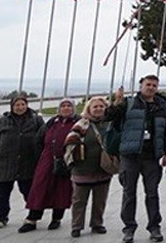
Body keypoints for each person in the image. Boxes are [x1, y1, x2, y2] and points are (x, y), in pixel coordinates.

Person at [106, 76, 166, 243]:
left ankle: (154, 227)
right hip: (130, 155)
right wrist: (117, 101)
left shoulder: (161, 107)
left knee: (152, 193)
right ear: (141, 86)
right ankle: (129, 228)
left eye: (154, 85)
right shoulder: (128, 103)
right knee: (129, 193)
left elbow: (165, 132)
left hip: (151, 157)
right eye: (147, 84)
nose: (150, 88)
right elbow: (108, 117)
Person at [0, 93, 44, 228]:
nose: (20, 107)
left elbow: (43, 140)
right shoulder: (3, 121)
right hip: (5, 164)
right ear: (12, 106)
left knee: (29, 192)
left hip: (28, 164)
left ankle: (33, 215)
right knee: (0, 194)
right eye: (17, 105)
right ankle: (1, 216)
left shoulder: (36, 120)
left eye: (23, 104)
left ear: (27, 105)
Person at [21, 98, 77, 232]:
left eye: (69, 106)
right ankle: (32, 218)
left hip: (66, 162)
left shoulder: (77, 122)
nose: (66, 108)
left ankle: (56, 218)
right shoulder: (52, 122)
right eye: (63, 106)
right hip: (47, 160)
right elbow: (38, 140)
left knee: (61, 190)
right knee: (39, 188)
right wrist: (41, 156)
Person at [65, 97, 116, 237]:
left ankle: (97, 223)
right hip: (82, 168)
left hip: (103, 168)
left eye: (101, 106)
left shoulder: (109, 124)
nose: (99, 109)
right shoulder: (81, 124)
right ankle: (76, 226)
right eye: (95, 107)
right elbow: (70, 142)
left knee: (100, 200)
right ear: (89, 109)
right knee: (79, 200)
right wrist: (71, 161)